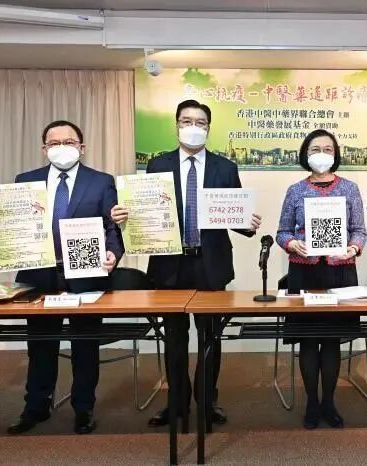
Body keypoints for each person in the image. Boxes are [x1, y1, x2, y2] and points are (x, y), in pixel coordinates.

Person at [111, 100, 261, 427]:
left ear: (209, 128)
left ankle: (207, 402)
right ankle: (176, 403)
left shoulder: (225, 167)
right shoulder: (157, 165)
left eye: (200, 122)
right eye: (186, 121)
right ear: (177, 125)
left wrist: (248, 224)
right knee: (175, 341)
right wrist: (126, 217)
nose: (193, 127)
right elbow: (148, 211)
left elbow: (232, 213)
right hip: (169, 266)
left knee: (210, 339)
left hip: (210, 264)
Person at [0, 120, 124, 435]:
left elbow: (112, 225)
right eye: (55, 143)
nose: (62, 147)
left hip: (86, 276)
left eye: (69, 142)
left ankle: (83, 409)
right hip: (38, 276)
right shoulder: (25, 181)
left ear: (82, 147)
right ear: (44, 149)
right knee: (40, 345)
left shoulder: (101, 181)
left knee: (85, 347)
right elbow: (8, 226)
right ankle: (35, 407)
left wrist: (112, 253)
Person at [276, 129, 367, 429]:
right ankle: (312, 403)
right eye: (316, 149)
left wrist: (353, 248)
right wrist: (292, 244)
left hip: (339, 273)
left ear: (336, 154)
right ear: (306, 153)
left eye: (328, 149)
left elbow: (359, 231)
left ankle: (329, 401)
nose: (322, 154)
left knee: (330, 340)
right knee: (308, 339)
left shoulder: (350, 189)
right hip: (305, 272)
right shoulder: (295, 190)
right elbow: (282, 232)